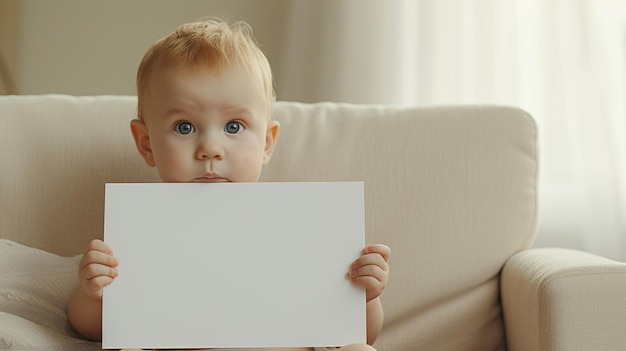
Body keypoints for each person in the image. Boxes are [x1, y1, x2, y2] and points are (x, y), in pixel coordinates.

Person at [66, 18, 390, 351]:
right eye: (185, 127)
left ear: (266, 143)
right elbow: (91, 329)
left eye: (234, 127)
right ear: (147, 144)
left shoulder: (300, 226)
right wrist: (93, 293)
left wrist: (364, 296)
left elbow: (359, 333)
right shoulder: (141, 232)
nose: (211, 148)